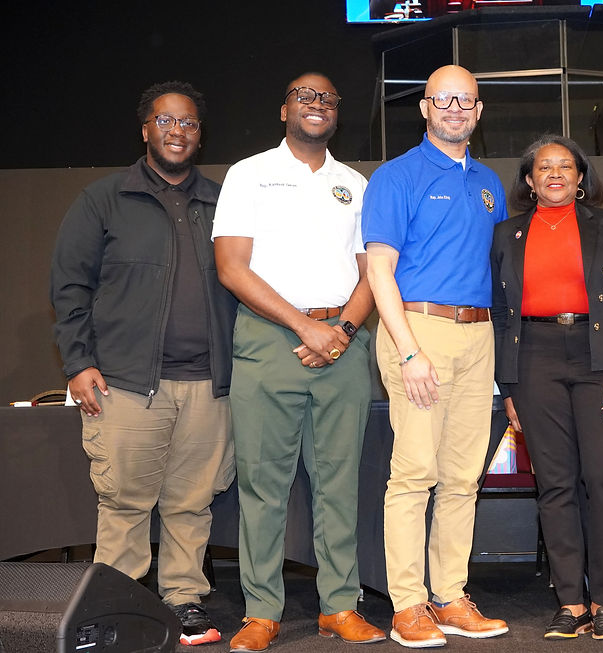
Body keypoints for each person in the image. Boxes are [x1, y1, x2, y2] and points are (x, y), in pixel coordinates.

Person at [50, 81, 237, 646]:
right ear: (146, 129)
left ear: (200, 134)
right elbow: (69, 286)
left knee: (191, 503)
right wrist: (78, 362)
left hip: (209, 386)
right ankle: (118, 605)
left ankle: (184, 601)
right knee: (125, 502)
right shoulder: (104, 199)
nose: (177, 131)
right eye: (166, 121)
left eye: (189, 123)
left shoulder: (224, 201)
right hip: (128, 384)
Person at [213, 72, 385, 651]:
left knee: (339, 484)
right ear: (283, 108)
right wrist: (304, 325)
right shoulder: (249, 173)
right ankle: (261, 611)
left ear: (338, 113)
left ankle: (339, 606)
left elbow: (373, 272)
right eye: (305, 97)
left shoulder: (355, 184)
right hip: (268, 340)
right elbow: (232, 267)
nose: (316, 105)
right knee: (264, 485)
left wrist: (340, 330)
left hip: (343, 341)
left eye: (327, 99)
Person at [362, 65, 509, 649]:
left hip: (479, 338)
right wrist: (409, 351)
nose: (455, 109)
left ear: (478, 111)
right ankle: (407, 605)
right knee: (414, 474)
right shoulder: (395, 178)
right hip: (418, 330)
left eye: (465, 101)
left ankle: (450, 595)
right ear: (424, 108)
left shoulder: (490, 183)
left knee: (462, 476)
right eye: (443, 99)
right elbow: (379, 271)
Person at [490, 135, 603, 640]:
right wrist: (509, 385)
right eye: (544, 167)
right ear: (529, 180)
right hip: (534, 359)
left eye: (565, 166)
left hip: (599, 358)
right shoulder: (505, 235)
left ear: (582, 178)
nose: (555, 174)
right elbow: (499, 315)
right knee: (554, 484)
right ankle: (571, 602)